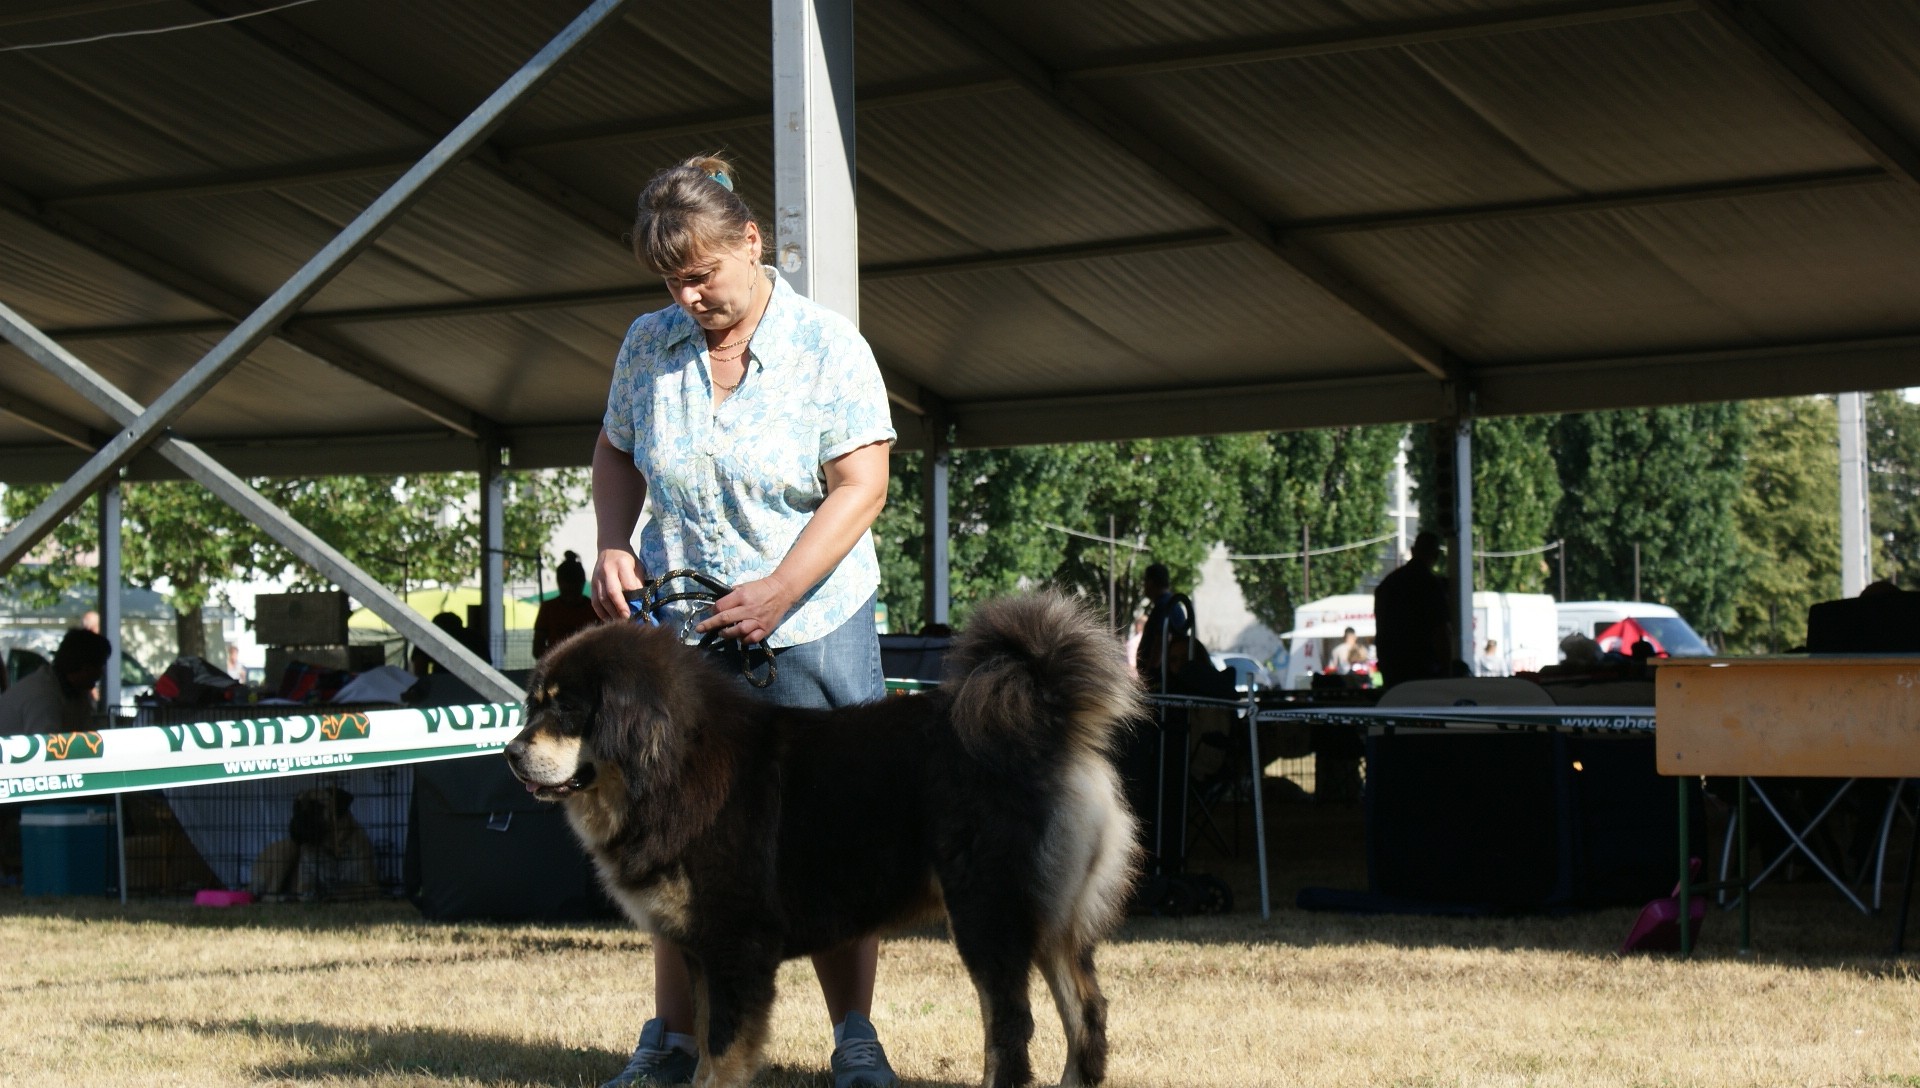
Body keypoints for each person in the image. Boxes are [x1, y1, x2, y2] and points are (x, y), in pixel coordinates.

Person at [587, 153, 897, 1088]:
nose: (688, 297)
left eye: (701, 274)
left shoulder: (828, 346)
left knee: (832, 834)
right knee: (675, 836)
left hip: (813, 625)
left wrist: (782, 589)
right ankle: (672, 1042)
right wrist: (612, 541)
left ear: (752, 242)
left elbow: (862, 484)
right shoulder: (649, 345)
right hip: (687, 641)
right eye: (669, 281)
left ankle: (855, 1042)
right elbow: (614, 451)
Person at [1373, 531, 1451, 688]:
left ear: (1413, 551)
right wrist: (1447, 671)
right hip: (1422, 668)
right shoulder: (1431, 585)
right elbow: (1441, 632)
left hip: (1392, 666)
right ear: (1436, 555)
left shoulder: (1388, 584)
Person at [0, 628, 111, 736]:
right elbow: (48, 744)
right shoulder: (43, 695)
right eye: (100, 666)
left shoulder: (75, 692)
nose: (101, 673)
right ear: (85, 667)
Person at [1134, 563, 1192, 689]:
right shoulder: (1170, 604)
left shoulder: (1164, 606)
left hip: (1161, 680)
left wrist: (1149, 676)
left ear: (1150, 582)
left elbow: (1162, 640)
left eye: (1145, 581)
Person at [532, 551, 599, 657]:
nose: (571, 592)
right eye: (567, 588)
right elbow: (537, 649)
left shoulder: (594, 608)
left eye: (573, 588)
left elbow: (537, 649)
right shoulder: (549, 608)